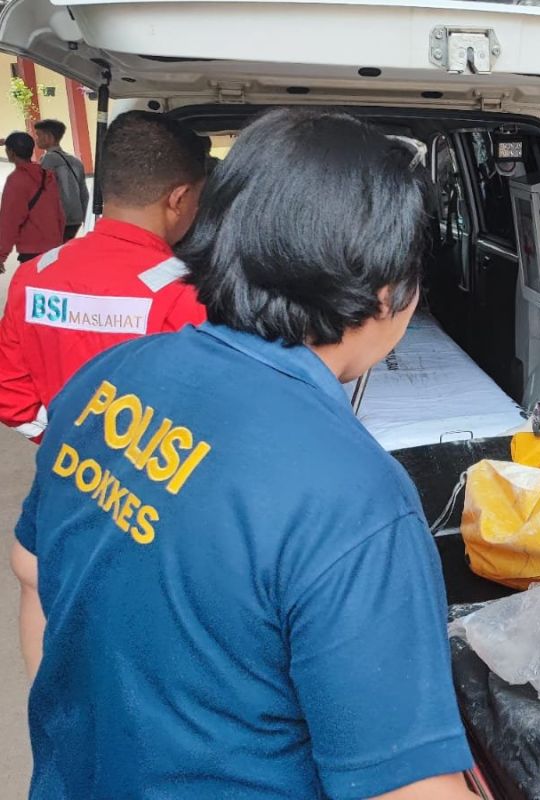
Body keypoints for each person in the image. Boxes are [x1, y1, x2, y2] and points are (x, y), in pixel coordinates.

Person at [9, 108, 477, 799]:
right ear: (390, 291)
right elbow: (406, 789)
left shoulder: (107, 380)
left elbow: (31, 573)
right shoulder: (356, 499)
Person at [0, 111, 208, 443]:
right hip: (156, 485)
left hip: (66, 476)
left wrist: (65, 440)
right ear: (179, 199)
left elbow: (11, 396)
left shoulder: (33, 275)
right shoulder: (189, 293)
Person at [0, 131, 64, 268]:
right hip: (54, 248)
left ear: (10, 153)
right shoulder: (47, 175)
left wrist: (1, 255)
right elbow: (59, 212)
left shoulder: (16, 181)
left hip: (31, 251)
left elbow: (9, 222)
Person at [33, 119, 90, 240]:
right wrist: (87, 219)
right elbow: (84, 194)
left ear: (49, 137)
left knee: (53, 252)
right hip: (75, 218)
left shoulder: (48, 159)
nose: (36, 139)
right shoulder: (75, 161)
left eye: (38, 135)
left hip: (57, 218)